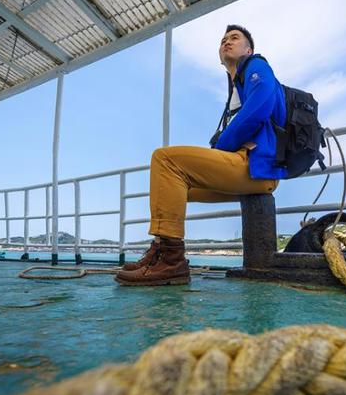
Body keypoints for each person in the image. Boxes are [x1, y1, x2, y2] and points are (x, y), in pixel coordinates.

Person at [115, 24, 286, 286]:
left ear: (248, 49)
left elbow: (261, 108)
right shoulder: (235, 89)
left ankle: (172, 261)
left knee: (165, 159)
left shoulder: (256, 65)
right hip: (249, 172)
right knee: (176, 186)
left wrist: (219, 150)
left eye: (234, 38)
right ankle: (160, 250)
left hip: (256, 167)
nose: (227, 42)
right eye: (223, 40)